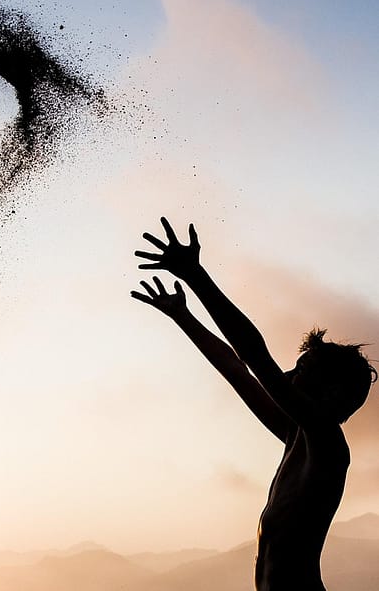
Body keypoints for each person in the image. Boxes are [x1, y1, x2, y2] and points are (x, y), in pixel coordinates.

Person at [131, 217, 376, 591]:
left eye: (303, 368)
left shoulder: (327, 445)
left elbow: (256, 358)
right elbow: (238, 369)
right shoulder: (297, 436)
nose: (291, 374)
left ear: (332, 393)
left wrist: (196, 276)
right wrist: (184, 317)